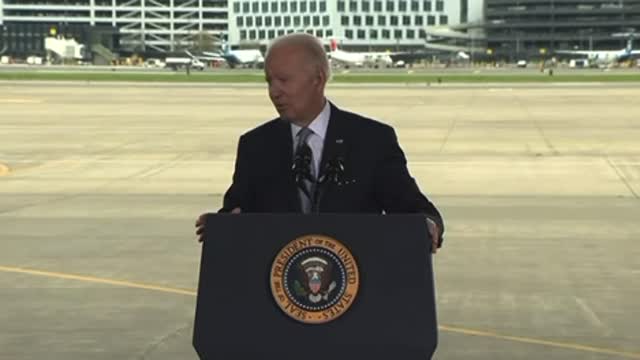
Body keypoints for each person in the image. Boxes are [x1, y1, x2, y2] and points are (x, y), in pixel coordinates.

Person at [195, 33, 445, 253]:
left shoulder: (371, 140)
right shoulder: (256, 145)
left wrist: (428, 226)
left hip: (355, 291)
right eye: (269, 81)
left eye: (283, 80)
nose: (274, 91)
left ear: (318, 80)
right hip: (277, 294)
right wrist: (221, 226)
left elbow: (416, 210)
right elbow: (237, 212)